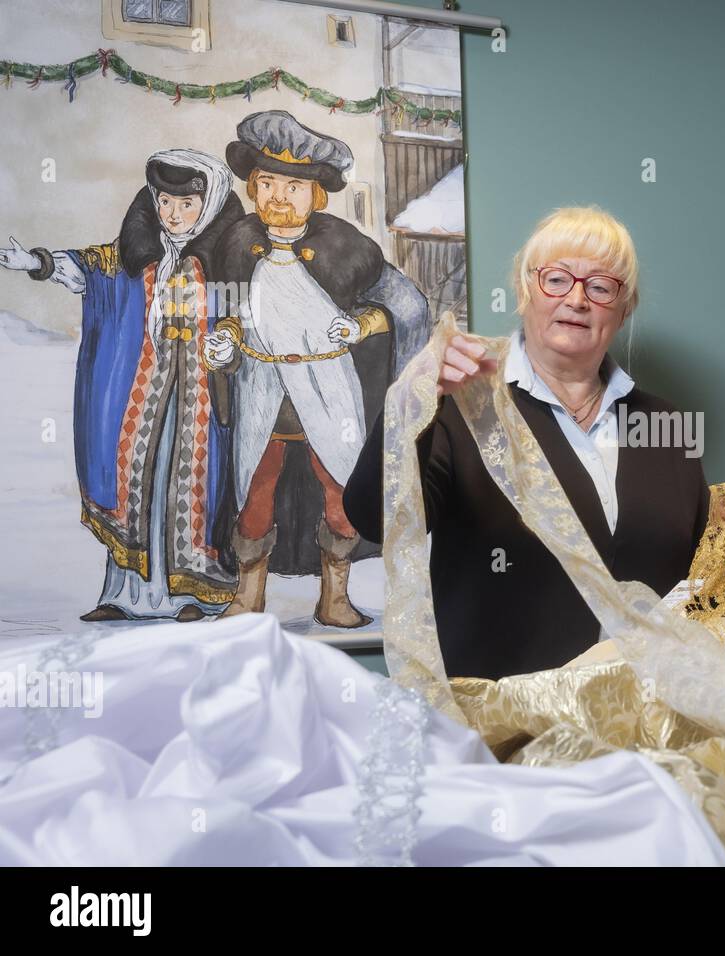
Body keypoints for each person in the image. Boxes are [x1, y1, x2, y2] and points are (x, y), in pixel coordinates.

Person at [344, 206, 709, 679]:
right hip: (502, 728)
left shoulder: (665, 424)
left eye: (600, 287)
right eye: (556, 279)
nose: (577, 300)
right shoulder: (461, 405)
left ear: (624, 309)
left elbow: (699, 577)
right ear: (523, 291)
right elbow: (373, 518)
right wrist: (410, 403)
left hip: (643, 724)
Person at [0, 150, 245, 621]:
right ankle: (126, 595)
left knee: (192, 489)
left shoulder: (229, 259)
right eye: (165, 202)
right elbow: (87, 271)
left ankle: (195, 594)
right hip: (144, 399)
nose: (173, 215)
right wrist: (36, 261)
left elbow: (244, 320)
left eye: (186, 204)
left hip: (200, 406)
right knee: (137, 485)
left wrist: (228, 344)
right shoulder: (137, 255)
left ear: (209, 203)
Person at [206, 110, 427, 628]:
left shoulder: (345, 250)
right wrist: (226, 342)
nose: (278, 197)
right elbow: (233, 315)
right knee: (255, 490)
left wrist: (362, 325)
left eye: (293, 186)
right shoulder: (236, 245)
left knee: (339, 490)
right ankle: (248, 596)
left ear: (315, 196)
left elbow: (406, 306)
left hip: (330, 391)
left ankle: (336, 598)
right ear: (253, 188)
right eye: (266, 184)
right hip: (264, 391)